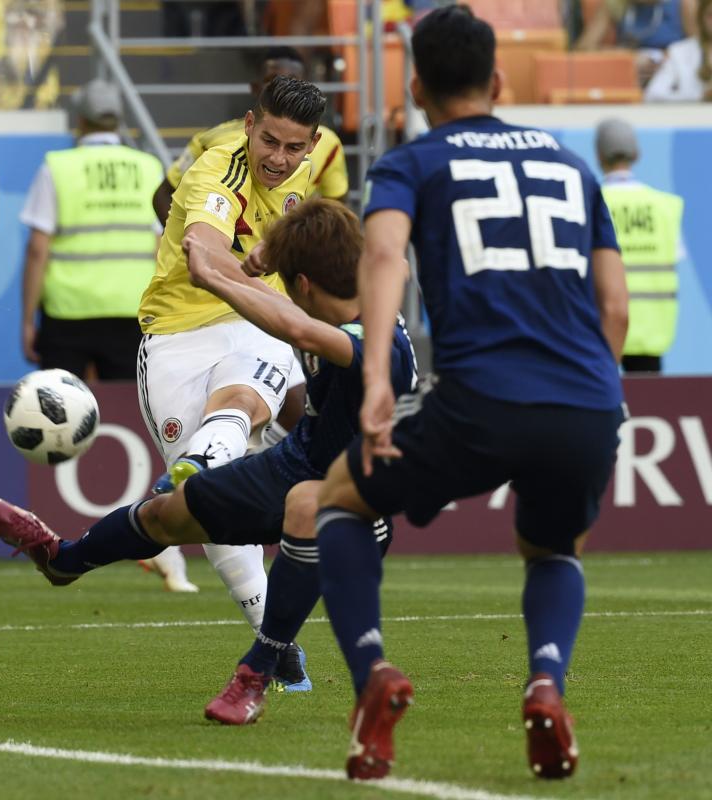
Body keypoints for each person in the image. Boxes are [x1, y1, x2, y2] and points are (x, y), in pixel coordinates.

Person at [312, 5, 628, 782]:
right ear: (497, 79)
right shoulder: (570, 163)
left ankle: (373, 678)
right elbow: (614, 303)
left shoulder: (413, 162)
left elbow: (384, 257)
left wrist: (378, 377)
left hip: (483, 399)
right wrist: (600, 393)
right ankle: (547, 682)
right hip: (586, 399)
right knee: (552, 545)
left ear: (416, 85)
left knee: (341, 497)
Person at [0, 197, 417, 696]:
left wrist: (214, 278)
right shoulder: (353, 290)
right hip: (297, 462)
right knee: (166, 513)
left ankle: (262, 666)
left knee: (305, 509)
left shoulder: (373, 339)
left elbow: (294, 325)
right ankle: (64, 561)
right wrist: (259, 260)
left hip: (356, 498)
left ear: (303, 284)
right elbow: (355, 278)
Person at [136, 75, 328, 628]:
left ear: (312, 145)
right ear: (249, 124)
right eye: (269, 140)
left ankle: (205, 461)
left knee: (242, 402)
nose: (279, 157)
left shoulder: (306, 171)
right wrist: (252, 268)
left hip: (256, 322)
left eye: (294, 147)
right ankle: (280, 646)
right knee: (204, 514)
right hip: (175, 332)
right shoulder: (217, 170)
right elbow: (211, 253)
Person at [19, 79, 163, 381]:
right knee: (129, 408)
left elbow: (37, 249)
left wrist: (28, 320)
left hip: (67, 311)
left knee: (59, 407)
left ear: (81, 120)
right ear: (117, 122)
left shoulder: (57, 167)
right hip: (132, 307)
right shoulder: (148, 167)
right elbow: (160, 246)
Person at [152, 46, 348, 227]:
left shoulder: (328, 144)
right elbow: (163, 193)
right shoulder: (211, 141)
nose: (278, 158)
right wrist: (185, 244)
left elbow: (338, 209)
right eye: (273, 81)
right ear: (256, 88)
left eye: (294, 148)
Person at [595, 118, 683, 372]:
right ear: (637, 154)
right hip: (652, 334)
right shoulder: (665, 206)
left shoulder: (592, 202)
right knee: (649, 404)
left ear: (599, 156)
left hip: (604, 330)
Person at [576, 0, 697, 87]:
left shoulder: (684, 4)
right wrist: (626, 57)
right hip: (627, 81)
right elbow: (583, 49)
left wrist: (664, 60)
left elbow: (699, 50)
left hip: (673, 81)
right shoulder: (615, 4)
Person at [644, 0, 712, 99]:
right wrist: (698, 97)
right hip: (693, 113)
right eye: (711, 15)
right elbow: (653, 95)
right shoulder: (680, 52)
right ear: (701, 17)